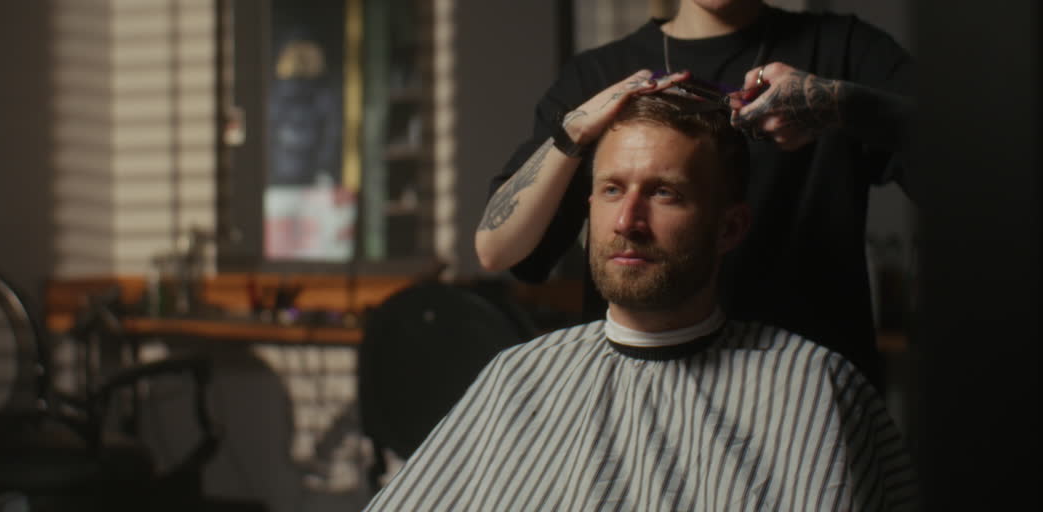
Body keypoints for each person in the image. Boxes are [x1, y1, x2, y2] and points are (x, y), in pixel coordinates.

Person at [475, 0, 913, 386]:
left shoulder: (845, 52)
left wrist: (845, 105)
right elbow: (500, 250)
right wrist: (573, 132)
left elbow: (979, 163)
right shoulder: (598, 74)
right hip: (641, 395)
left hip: (806, 397)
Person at [365, 93, 916, 511]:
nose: (628, 221)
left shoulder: (817, 388)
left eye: (663, 193)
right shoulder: (517, 378)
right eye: (612, 190)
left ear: (730, 227)